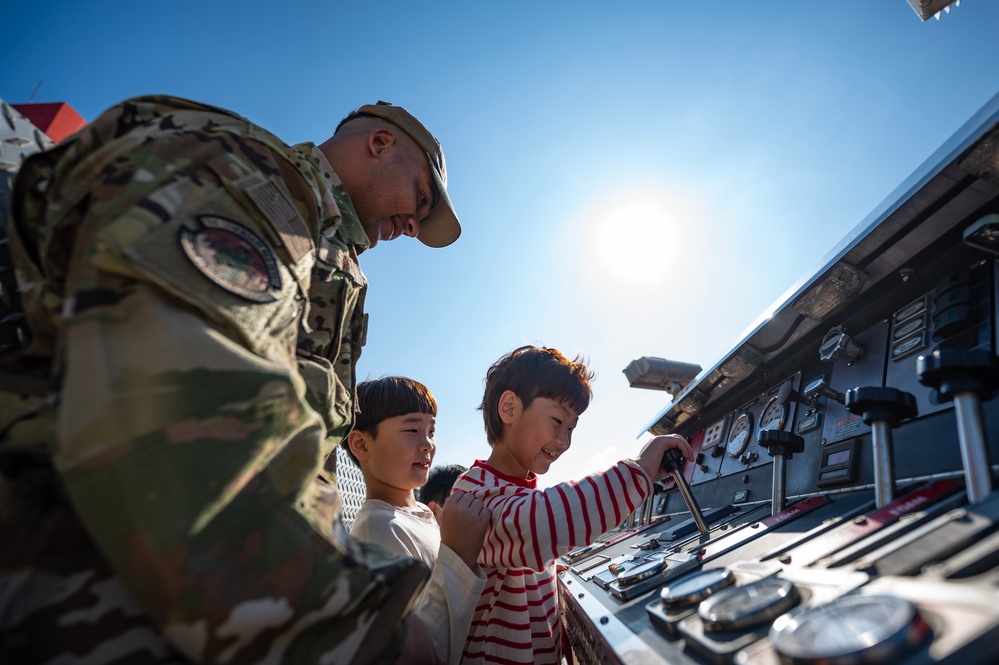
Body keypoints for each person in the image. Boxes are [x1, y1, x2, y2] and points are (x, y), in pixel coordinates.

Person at [0, 95, 462, 664]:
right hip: (83, 592)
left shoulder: (318, 241)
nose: (414, 224)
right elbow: (179, 420)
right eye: (420, 197)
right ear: (380, 143)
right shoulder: (249, 175)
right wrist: (358, 630)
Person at [452, 345, 693, 664]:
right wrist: (639, 471)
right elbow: (539, 524)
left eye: (571, 428)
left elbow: (526, 550)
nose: (565, 441)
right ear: (509, 408)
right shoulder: (474, 490)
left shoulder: (517, 491)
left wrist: (551, 572)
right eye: (556, 421)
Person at [345, 377, 487, 664]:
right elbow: (419, 650)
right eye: (412, 429)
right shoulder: (380, 529)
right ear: (361, 444)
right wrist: (459, 553)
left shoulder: (419, 512)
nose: (427, 445)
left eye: (431, 431)